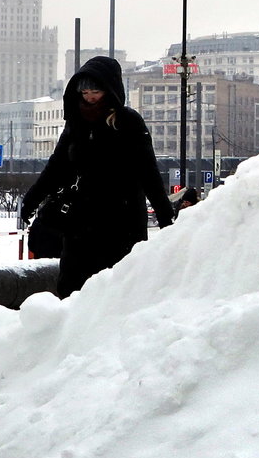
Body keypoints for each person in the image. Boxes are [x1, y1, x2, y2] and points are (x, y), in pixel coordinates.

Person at [20, 56, 174, 297]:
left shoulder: (128, 122)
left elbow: (149, 174)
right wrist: (31, 200)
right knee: (72, 290)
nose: (90, 97)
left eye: (96, 92)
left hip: (122, 223)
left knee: (115, 294)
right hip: (81, 222)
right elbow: (57, 167)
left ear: (109, 90)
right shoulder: (76, 124)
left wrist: (166, 219)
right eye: (85, 92)